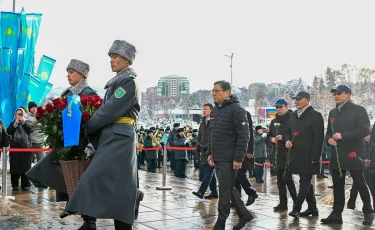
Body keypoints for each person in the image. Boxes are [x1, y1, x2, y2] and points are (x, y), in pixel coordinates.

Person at [65, 40, 143, 230]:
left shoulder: (128, 83)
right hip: (112, 135)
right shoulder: (117, 82)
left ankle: (90, 218)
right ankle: (100, 219)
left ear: (126, 60)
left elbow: (108, 111)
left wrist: (87, 126)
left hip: (120, 137)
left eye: (115, 57)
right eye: (110, 57)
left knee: (94, 176)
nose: (111, 60)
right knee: (117, 183)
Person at [26, 59, 97, 206]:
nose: (68, 75)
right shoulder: (66, 94)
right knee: (63, 174)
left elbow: (94, 118)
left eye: (71, 72)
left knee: (83, 180)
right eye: (68, 72)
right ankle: (74, 206)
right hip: (66, 141)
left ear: (82, 75)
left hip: (82, 143)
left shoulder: (89, 93)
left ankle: (87, 218)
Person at [321, 85, 374, 226]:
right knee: (338, 185)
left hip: (354, 153)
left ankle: (368, 212)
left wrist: (342, 136)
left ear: (348, 95)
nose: (336, 96)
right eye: (334, 94)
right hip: (337, 155)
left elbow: (365, 130)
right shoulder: (332, 112)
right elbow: (328, 132)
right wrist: (329, 139)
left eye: (339, 93)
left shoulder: (359, 110)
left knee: (360, 184)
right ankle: (336, 214)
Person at [207, 80, 253, 230]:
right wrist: (210, 153)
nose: (214, 93)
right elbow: (212, 134)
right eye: (213, 91)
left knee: (224, 194)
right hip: (218, 157)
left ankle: (220, 224)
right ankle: (244, 214)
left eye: (217, 91)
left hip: (230, 158)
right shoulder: (215, 110)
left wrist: (238, 157)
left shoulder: (237, 110)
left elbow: (244, 135)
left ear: (227, 93)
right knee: (228, 189)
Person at [286, 91, 324, 219]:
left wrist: (315, 157)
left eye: (299, 99)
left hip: (309, 156)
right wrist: (287, 140)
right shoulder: (292, 116)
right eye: (295, 99)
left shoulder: (316, 116)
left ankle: (296, 209)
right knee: (306, 183)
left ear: (308, 100)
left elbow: (319, 139)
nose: (296, 101)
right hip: (295, 155)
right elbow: (288, 132)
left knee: (305, 182)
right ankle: (313, 209)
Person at [268, 99, 297, 211]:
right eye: (277, 107)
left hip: (289, 153)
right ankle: (283, 203)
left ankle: (296, 202)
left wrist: (284, 138)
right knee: (280, 181)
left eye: (281, 107)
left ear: (286, 107)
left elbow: (295, 135)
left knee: (288, 179)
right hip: (277, 154)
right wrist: (272, 139)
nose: (279, 109)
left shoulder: (292, 119)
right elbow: (269, 136)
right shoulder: (273, 121)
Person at [192, 103, 218, 199]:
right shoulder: (202, 122)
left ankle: (201, 192)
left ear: (211, 110)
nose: (204, 111)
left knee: (208, 172)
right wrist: (197, 150)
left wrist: (210, 148)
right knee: (210, 173)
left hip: (212, 151)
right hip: (203, 150)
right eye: (203, 109)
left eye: (206, 109)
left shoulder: (215, 121)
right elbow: (200, 136)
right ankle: (214, 192)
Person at [234, 111, 258, 206]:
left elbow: (249, 133)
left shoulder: (244, 113)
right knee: (235, 176)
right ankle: (237, 198)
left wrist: (249, 150)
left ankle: (251, 192)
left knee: (240, 174)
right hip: (234, 150)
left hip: (244, 150)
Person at [7, 108, 32, 191]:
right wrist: (16, 123)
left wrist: (23, 121)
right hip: (15, 147)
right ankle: (15, 185)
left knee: (26, 166)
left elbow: (30, 130)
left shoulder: (28, 122)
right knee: (15, 166)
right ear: (15, 115)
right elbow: (9, 131)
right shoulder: (12, 123)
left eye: (21, 114)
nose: (19, 115)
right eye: (18, 114)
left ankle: (25, 185)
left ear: (24, 114)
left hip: (26, 147)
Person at [26, 101, 46, 165]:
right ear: (29, 109)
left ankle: (41, 174)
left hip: (40, 142)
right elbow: (27, 127)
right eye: (32, 107)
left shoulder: (41, 115)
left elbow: (45, 126)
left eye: (35, 107)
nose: (34, 109)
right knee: (29, 162)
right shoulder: (26, 116)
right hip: (30, 142)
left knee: (41, 161)